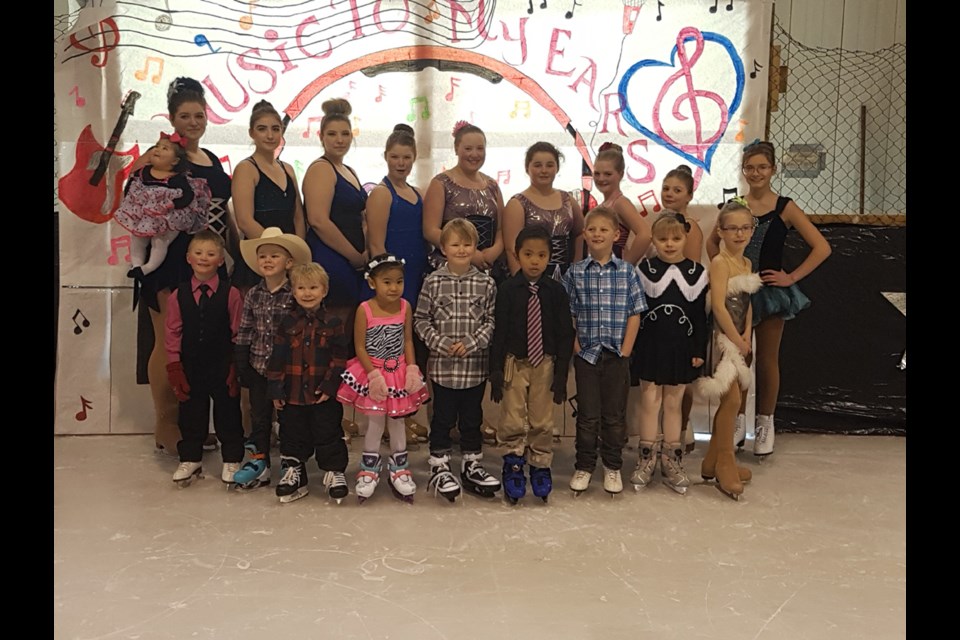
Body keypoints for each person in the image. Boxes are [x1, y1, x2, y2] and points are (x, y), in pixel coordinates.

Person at [706, 141, 832, 457]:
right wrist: (728, 275)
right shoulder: (735, 204)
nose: (756, 172)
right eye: (750, 167)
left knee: (767, 360)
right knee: (738, 358)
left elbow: (822, 247)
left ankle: (765, 423)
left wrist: (791, 277)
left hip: (772, 293)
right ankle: (735, 422)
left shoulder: (785, 207)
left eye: (762, 167)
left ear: (773, 170)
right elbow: (712, 243)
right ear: (744, 171)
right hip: (739, 293)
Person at [134, 76, 237, 455]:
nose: (193, 122)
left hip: (211, 260)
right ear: (172, 119)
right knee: (168, 341)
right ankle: (165, 421)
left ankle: (191, 421)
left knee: (202, 344)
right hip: (171, 260)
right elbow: (136, 199)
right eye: (185, 116)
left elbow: (223, 212)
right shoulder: (160, 153)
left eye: (199, 114)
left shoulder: (210, 159)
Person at [562, 206, 647, 496]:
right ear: (584, 234)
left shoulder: (627, 272)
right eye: (592, 229)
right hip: (586, 355)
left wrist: (626, 350)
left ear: (616, 234)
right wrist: (576, 346)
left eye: (603, 229)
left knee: (614, 416)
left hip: (616, 357)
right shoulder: (574, 273)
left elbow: (635, 312)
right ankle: (584, 465)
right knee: (587, 416)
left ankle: (612, 466)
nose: (597, 234)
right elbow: (569, 313)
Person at [414, 218, 500, 502]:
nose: (461, 250)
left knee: (472, 417)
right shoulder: (433, 281)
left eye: (467, 244)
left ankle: (471, 462)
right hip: (443, 368)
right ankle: (439, 463)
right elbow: (421, 320)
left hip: (474, 368)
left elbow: (491, 321)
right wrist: (440, 343)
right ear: (443, 248)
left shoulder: (486, 283)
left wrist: (472, 343)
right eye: (455, 244)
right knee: (442, 417)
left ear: (475, 247)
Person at [489, 226, 575, 504]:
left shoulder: (556, 292)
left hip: (545, 363)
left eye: (541, 255)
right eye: (528, 254)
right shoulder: (508, 289)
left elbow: (565, 334)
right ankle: (513, 463)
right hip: (514, 362)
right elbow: (498, 332)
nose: (535, 261)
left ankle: (540, 464)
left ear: (550, 256)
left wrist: (561, 376)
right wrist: (496, 370)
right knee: (512, 417)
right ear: (517, 255)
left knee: (541, 419)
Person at [337, 254, 430, 503]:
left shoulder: (405, 306)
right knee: (375, 422)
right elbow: (359, 346)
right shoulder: (364, 309)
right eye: (387, 282)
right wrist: (373, 374)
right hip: (373, 372)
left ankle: (399, 467)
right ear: (372, 283)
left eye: (399, 281)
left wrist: (411, 367)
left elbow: (408, 339)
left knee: (398, 421)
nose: (393, 287)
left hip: (399, 371)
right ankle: (369, 467)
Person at [629, 212, 708, 495]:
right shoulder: (645, 270)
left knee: (674, 404)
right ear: (653, 240)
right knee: (650, 402)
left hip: (682, 350)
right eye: (663, 239)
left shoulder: (697, 273)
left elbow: (700, 317)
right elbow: (636, 313)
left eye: (676, 238)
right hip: (650, 348)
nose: (670, 244)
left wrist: (699, 349)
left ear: (686, 238)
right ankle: (645, 459)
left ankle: (671, 460)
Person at [232, 227, 312, 491]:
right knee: (259, 416)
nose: (267, 261)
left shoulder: (295, 295)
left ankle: (292, 462)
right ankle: (259, 461)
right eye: (262, 256)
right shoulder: (254, 294)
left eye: (274, 256)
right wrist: (242, 361)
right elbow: (245, 329)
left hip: (288, 370)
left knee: (290, 418)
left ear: (289, 262)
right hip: (258, 367)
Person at [164, 230, 245, 487]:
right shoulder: (179, 294)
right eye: (198, 253)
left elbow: (237, 331)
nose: (204, 258)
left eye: (210, 254)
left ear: (221, 260)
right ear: (189, 258)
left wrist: (235, 365)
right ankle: (190, 458)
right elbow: (172, 331)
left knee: (228, 412)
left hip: (222, 363)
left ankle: (232, 457)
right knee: (190, 411)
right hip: (191, 365)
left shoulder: (231, 294)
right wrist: (174, 365)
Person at [266, 263, 351, 504]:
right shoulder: (287, 322)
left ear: (324, 290)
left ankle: (334, 471)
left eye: (313, 287)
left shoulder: (334, 323)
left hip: (322, 393)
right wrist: (275, 388)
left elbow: (339, 359)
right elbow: (278, 356)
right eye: (301, 288)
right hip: (292, 394)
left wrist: (329, 386)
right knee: (293, 434)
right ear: (293, 291)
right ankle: (295, 474)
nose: (307, 293)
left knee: (328, 432)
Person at [695, 199, 763, 500]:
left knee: (734, 400)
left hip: (740, 338)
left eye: (745, 228)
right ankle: (724, 462)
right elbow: (720, 307)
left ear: (752, 231)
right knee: (731, 398)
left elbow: (747, 304)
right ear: (720, 231)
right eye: (732, 228)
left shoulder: (746, 264)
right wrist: (735, 338)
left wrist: (747, 333)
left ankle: (712, 461)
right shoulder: (720, 263)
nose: (739, 234)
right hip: (721, 339)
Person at [301, 98, 368, 327]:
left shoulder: (348, 170)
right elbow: (318, 220)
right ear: (320, 136)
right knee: (332, 326)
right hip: (330, 256)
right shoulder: (321, 168)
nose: (339, 140)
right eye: (332, 134)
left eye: (345, 134)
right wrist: (354, 255)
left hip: (354, 257)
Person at [230, 100, 307, 291]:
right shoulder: (246, 168)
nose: (270, 135)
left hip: (290, 261)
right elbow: (245, 221)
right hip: (258, 259)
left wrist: (296, 254)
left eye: (275, 129)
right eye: (262, 129)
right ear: (251, 132)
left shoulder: (287, 168)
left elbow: (298, 215)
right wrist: (274, 254)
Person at [115, 132, 211, 281]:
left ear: (175, 161)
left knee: (159, 242)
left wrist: (173, 205)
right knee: (137, 239)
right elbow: (132, 187)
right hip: (145, 215)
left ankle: (148, 267)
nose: (158, 150)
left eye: (165, 148)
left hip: (168, 218)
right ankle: (136, 265)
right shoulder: (143, 172)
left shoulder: (177, 178)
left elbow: (188, 196)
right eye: (157, 146)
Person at [422, 121, 505, 278]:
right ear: (456, 149)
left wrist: (495, 250)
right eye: (468, 149)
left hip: (488, 266)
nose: (474, 154)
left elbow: (501, 228)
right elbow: (430, 230)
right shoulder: (441, 183)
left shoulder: (492, 185)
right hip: (451, 268)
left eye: (480, 148)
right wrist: (469, 254)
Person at [659, 164, 703, 453]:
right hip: (660, 306)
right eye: (666, 188)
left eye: (677, 190)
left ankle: (682, 428)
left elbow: (692, 272)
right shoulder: (659, 223)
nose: (670, 194)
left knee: (683, 378)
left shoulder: (692, 228)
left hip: (684, 306)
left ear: (689, 195)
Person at [366, 124, 429, 308]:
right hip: (393, 276)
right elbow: (376, 245)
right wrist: (388, 281)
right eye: (394, 157)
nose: (400, 163)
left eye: (406, 157)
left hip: (417, 268)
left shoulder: (418, 193)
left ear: (414, 158)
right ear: (385, 157)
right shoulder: (381, 193)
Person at [502, 141, 584, 279]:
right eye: (538, 165)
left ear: (557, 168)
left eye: (550, 165)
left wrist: (577, 266)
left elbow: (581, 234)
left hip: (566, 277)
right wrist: (522, 285)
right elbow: (511, 249)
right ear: (527, 168)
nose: (544, 170)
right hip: (532, 278)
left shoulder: (568, 200)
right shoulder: (517, 204)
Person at [592, 142, 651, 264]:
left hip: (614, 272)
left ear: (621, 174)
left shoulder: (620, 203)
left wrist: (627, 265)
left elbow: (645, 234)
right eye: (597, 173)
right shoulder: (603, 206)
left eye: (607, 174)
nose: (601, 178)